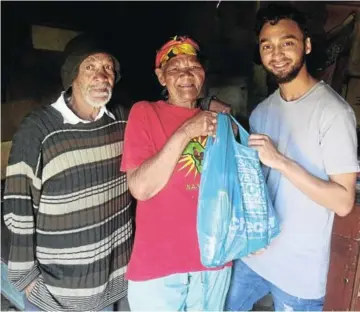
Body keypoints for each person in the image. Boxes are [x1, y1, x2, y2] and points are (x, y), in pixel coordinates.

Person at [225, 4, 359, 311]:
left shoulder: (334, 114)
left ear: (307, 46)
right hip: (257, 253)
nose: (277, 53)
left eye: (287, 43)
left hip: (300, 271)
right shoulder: (262, 111)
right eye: (267, 46)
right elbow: (258, 186)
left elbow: (342, 201)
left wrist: (281, 161)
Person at [3, 34, 133, 311]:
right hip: (55, 294)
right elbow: (18, 206)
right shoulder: (39, 128)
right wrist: (25, 277)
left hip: (114, 285)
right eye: (90, 67)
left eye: (108, 68)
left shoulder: (123, 120)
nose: (101, 76)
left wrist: (206, 106)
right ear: (72, 74)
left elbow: (164, 119)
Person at [120, 35, 232, 311]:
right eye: (175, 69)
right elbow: (141, 188)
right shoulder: (144, 113)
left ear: (203, 74)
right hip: (158, 264)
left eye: (193, 66)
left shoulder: (222, 121)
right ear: (161, 78)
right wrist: (187, 131)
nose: (186, 75)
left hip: (213, 260)